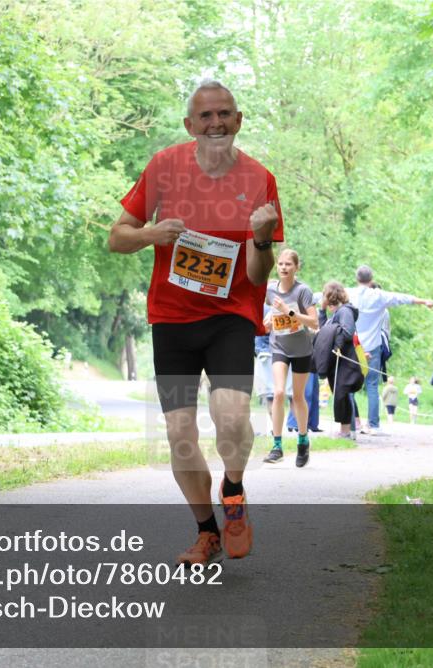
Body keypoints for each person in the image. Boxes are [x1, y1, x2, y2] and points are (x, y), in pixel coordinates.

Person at [108, 80, 283, 565]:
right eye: (205, 116)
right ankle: (206, 532)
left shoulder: (259, 179)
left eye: (224, 114)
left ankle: (233, 489)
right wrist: (150, 234)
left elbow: (255, 273)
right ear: (190, 125)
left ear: (239, 119)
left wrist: (263, 240)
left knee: (230, 420)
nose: (216, 123)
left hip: (230, 316)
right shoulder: (164, 167)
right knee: (180, 435)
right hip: (172, 321)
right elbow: (116, 238)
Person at [348, 266, 433, 435]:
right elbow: (402, 298)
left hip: (354, 347)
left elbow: (325, 294)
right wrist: (424, 301)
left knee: (349, 386)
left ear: (357, 279)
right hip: (373, 347)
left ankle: (349, 425)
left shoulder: (348, 293)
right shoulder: (380, 296)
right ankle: (373, 425)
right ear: (371, 280)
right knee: (372, 386)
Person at [262, 249, 317, 467]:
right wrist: (268, 319)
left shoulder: (302, 291)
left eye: (289, 264)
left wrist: (288, 311)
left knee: (298, 397)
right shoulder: (270, 291)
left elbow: (313, 322)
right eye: (281, 264)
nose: (284, 267)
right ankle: (277, 446)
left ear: (296, 267)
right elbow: (270, 313)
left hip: (302, 349)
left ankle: (303, 441)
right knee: (278, 392)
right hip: (279, 347)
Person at [316, 281, 364, 439]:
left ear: (330, 297)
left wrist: (336, 345)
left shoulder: (345, 312)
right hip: (338, 362)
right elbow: (324, 333)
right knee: (340, 394)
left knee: (342, 395)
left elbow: (347, 332)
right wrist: (322, 311)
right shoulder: (336, 314)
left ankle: (346, 431)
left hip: (346, 360)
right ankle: (346, 430)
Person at [287, 292, 324, 434]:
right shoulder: (297, 315)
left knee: (314, 392)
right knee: (304, 392)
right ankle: (294, 423)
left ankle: (313, 423)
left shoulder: (313, 317)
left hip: (312, 357)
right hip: (301, 355)